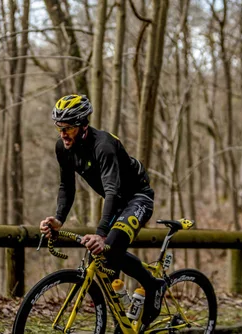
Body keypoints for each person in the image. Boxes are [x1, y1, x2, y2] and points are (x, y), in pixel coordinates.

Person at [39, 94, 166, 331]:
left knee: (110, 243)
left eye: (68, 128)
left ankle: (153, 285)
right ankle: (124, 319)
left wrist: (100, 233)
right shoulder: (63, 148)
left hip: (137, 197)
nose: (63, 134)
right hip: (115, 200)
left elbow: (112, 191)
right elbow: (66, 186)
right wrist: (58, 219)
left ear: (82, 125)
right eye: (59, 127)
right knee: (105, 263)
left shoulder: (103, 146)